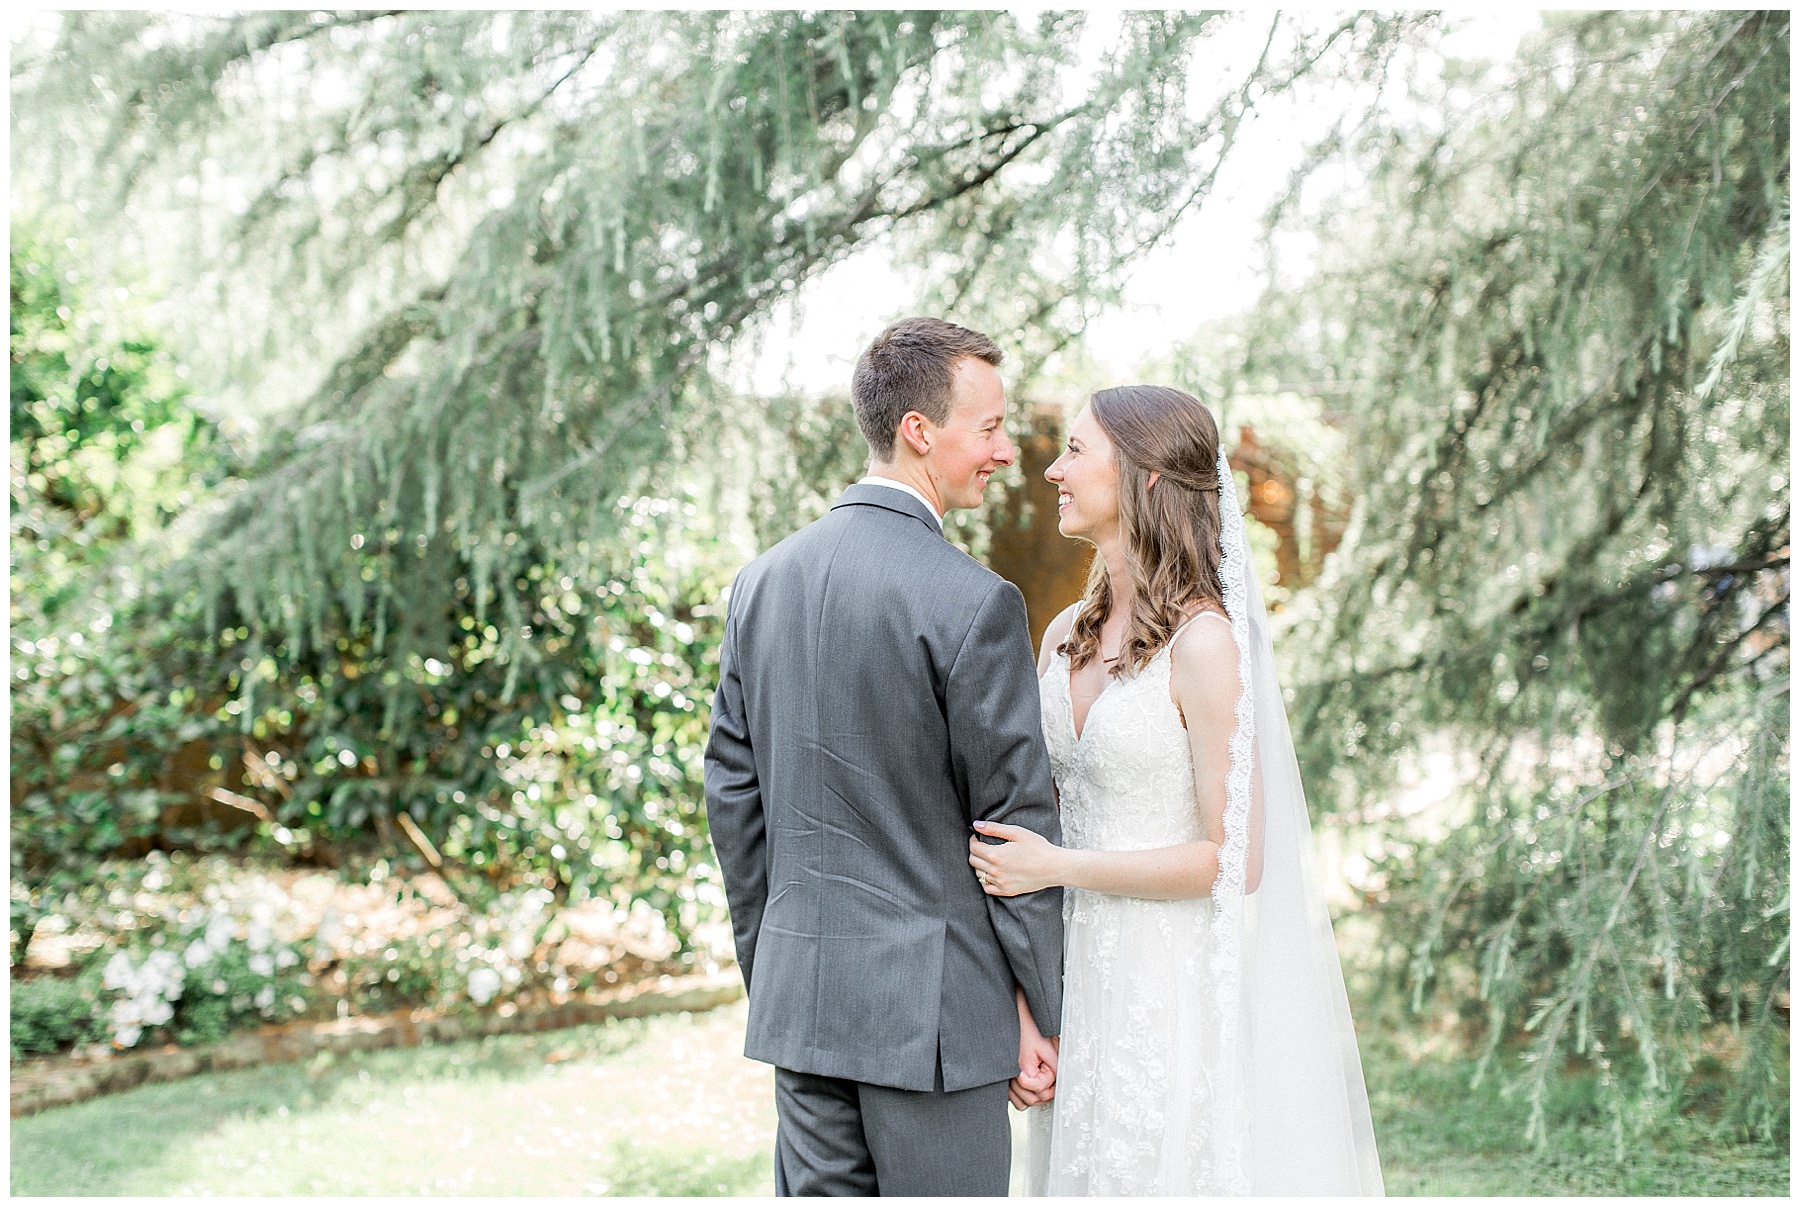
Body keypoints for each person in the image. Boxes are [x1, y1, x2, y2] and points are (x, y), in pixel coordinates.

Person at [967, 384, 1386, 1195]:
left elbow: (1234, 859)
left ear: (1146, 476)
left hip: (1164, 985)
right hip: (1069, 985)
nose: (1052, 469)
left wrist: (1061, 867)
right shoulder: (1061, 637)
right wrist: (1026, 1010)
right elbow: (1031, 817)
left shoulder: (1204, 644)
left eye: (1077, 450)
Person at [704, 316, 1065, 1196]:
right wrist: (1037, 1012)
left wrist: (782, 965)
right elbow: (1012, 820)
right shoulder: (974, 602)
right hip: (938, 1024)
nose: (1006, 451)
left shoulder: (761, 583)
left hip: (803, 1002)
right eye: (989, 428)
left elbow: (732, 798)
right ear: (919, 431)